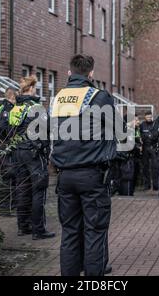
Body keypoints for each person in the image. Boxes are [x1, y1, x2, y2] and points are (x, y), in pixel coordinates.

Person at [50, 54, 118, 276]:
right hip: (91, 175)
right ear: (91, 74)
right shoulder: (99, 97)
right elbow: (118, 130)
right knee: (94, 233)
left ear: (69, 73)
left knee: (69, 232)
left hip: (65, 177)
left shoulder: (58, 98)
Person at [1, 75, 55, 240]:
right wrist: (45, 151)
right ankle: (39, 230)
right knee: (39, 189)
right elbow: (46, 131)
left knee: (22, 189)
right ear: (31, 88)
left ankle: (23, 227)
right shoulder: (36, 107)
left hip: (18, 153)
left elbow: (8, 130)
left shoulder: (15, 108)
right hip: (33, 153)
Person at [0, 88, 18, 217]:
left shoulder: (1, 108)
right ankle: (4, 209)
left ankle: (12, 207)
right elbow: (1, 128)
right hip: (6, 148)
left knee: (11, 177)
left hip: (5, 147)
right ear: (12, 97)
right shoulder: (6, 109)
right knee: (6, 178)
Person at [139, 111, 159, 191]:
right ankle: (147, 185)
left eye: (150, 117)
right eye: (147, 117)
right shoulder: (142, 125)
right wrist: (147, 136)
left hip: (153, 147)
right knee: (145, 167)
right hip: (145, 148)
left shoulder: (154, 124)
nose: (149, 118)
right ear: (145, 117)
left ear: (152, 117)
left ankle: (155, 185)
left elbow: (157, 135)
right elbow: (140, 135)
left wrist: (150, 137)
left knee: (155, 167)